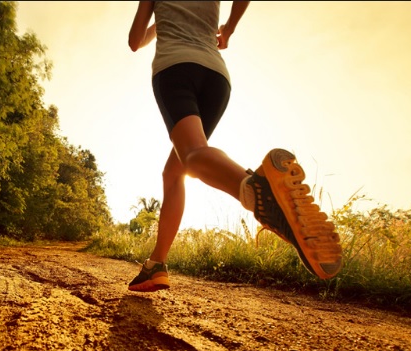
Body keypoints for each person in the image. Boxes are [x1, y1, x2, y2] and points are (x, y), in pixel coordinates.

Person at [127, 1, 343, 292]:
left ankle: (255, 188)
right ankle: (156, 265)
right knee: (174, 171)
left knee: (191, 156)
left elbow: (134, 41)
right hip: (216, 78)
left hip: (175, 68)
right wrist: (228, 29)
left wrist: (159, 16)